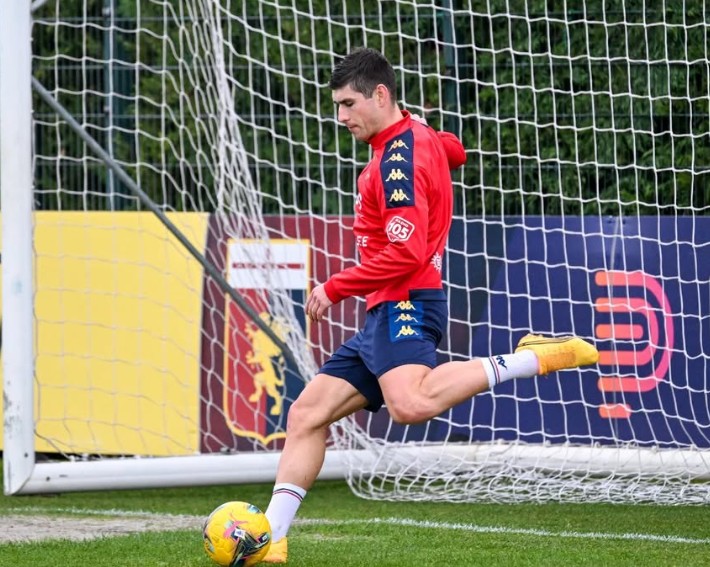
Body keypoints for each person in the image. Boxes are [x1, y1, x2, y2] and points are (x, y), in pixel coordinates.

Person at [260, 47, 598, 564]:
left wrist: (336, 286)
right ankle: (270, 537)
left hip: (407, 300)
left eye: (349, 104)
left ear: (380, 95)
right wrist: (428, 135)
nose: (341, 116)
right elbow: (455, 151)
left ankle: (532, 358)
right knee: (308, 414)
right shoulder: (413, 135)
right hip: (386, 309)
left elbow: (408, 252)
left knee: (411, 405)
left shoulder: (396, 160)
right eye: (337, 106)